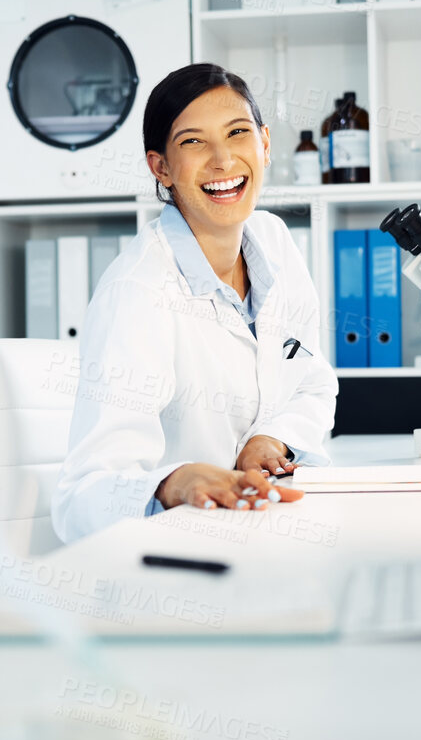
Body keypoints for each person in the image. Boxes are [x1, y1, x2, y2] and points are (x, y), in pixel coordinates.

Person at [52, 63, 338, 543]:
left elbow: (313, 386)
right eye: (192, 142)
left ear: (265, 144)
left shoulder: (274, 241)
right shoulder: (138, 292)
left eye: (238, 133)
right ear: (160, 167)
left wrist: (268, 440)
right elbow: (80, 498)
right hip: (178, 562)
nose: (223, 160)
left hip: (264, 529)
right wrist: (172, 482)